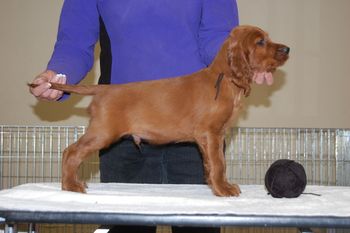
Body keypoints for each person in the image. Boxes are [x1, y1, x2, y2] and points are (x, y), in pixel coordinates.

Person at [30, 1, 239, 232]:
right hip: (124, 126)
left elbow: (217, 39)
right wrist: (60, 74)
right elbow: (74, 42)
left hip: (195, 129)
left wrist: (246, 61)